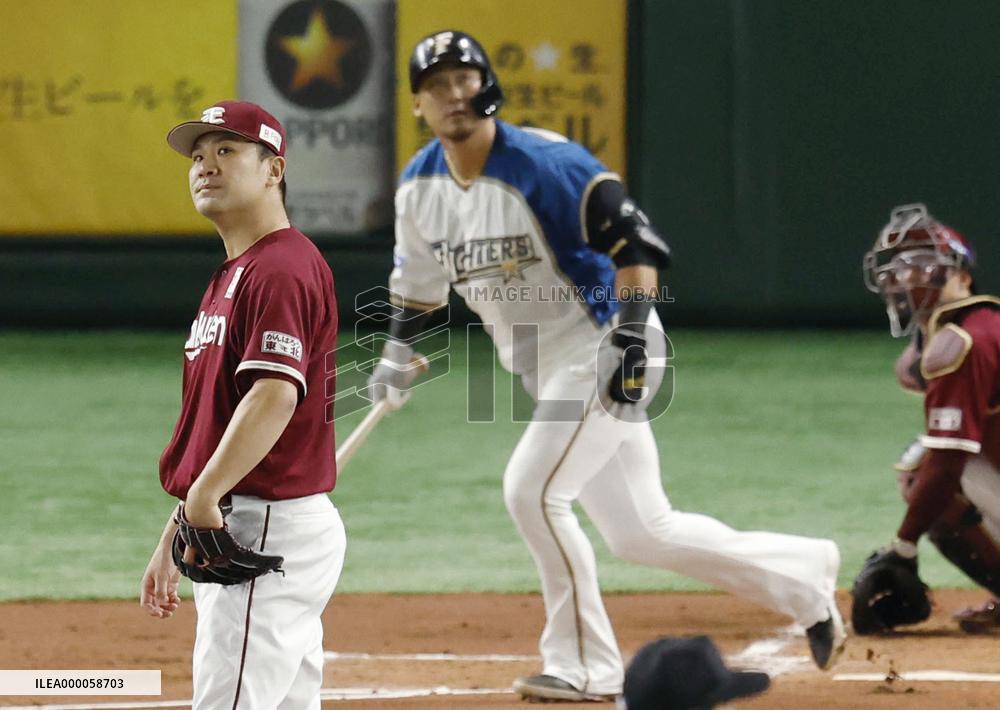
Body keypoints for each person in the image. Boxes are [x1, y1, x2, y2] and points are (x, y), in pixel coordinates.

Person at [367, 29, 845, 703]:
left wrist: (626, 338)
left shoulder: (543, 162)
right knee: (643, 532)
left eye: (463, 79)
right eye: (435, 86)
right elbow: (417, 283)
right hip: (547, 368)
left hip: (605, 346)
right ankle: (806, 576)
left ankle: (585, 665)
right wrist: (395, 349)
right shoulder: (419, 189)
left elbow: (635, 241)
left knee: (531, 491)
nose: (452, 95)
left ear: (487, 87)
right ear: (417, 104)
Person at [139, 100, 344, 709]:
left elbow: (274, 395)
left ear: (273, 170)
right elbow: (216, 421)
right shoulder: (236, 273)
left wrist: (202, 499)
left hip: (261, 523)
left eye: (227, 150)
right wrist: (178, 521)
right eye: (198, 156)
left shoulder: (280, 267)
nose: (206, 165)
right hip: (250, 516)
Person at [857, 203, 1000, 635]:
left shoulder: (964, 342)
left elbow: (948, 459)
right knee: (931, 460)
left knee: (927, 470)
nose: (908, 278)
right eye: (899, 269)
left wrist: (903, 545)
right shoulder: (972, 330)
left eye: (924, 266)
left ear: (963, 276)